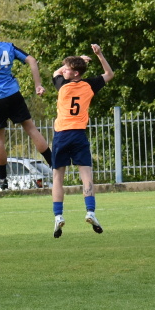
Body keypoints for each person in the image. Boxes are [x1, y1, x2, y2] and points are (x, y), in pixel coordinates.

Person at [0, 16, 53, 190]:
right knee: (31, 129)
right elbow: (32, 60)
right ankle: (54, 164)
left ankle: (2, 180)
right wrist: (38, 85)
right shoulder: (8, 47)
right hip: (14, 94)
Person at [50, 45, 115, 237]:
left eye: (68, 68)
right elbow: (109, 74)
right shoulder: (89, 85)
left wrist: (79, 58)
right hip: (79, 134)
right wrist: (99, 55)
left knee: (57, 177)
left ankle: (58, 215)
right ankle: (90, 211)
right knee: (86, 175)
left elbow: (56, 72)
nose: (64, 70)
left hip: (61, 134)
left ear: (75, 72)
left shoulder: (62, 85)